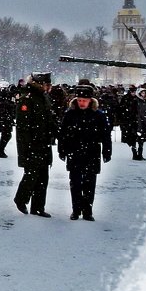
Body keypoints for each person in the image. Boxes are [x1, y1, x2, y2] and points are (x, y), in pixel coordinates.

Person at [58, 84, 112, 220]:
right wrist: (62, 150)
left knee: (89, 183)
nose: (82, 103)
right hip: (74, 152)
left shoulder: (98, 115)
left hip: (91, 152)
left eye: (84, 100)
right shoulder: (70, 114)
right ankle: (76, 210)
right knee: (75, 183)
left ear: (90, 101)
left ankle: (88, 210)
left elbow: (106, 134)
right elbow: (63, 133)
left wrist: (107, 151)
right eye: (79, 100)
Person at [14, 73, 59, 217]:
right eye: (47, 85)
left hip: (43, 142)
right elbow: (23, 127)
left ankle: (38, 207)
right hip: (32, 144)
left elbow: (48, 119)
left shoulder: (43, 98)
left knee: (43, 177)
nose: (49, 87)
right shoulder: (27, 99)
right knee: (31, 175)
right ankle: (21, 199)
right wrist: (26, 147)